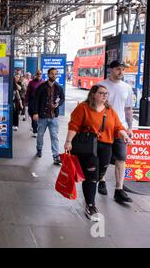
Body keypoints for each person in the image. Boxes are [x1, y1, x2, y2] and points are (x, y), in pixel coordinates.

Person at [64, 85, 133, 221]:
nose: (104, 96)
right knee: (92, 176)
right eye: (101, 93)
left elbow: (118, 127)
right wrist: (68, 141)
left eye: (106, 94)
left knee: (100, 173)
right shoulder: (83, 108)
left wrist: (125, 135)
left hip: (106, 147)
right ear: (93, 94)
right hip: (89, 146)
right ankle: (90, 205)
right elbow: (74, 125)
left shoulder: (110, 111)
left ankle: (91, 189)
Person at [97, 60, 134, 203]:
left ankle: (119, 189)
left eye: (123, 69)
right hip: (103, 128)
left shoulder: (127, 88)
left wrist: (129, 127)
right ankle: (101, 180)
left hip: (120, 129)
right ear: (111, 70)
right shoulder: (101, 86)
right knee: (102, 157)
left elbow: (128, 109)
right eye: (118, 69)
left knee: (121, 158)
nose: (121, 72)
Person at [32, 68, 65, 164]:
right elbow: (36, 101)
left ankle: (56, 156)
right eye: (52, 74)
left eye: (55, 74)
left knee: (54, 136)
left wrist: (58, 104)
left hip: (54, 117)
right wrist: (35, 113)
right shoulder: (41, 87)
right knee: (40, 135)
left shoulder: (59, 87)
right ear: (48, 74)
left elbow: (62, 98)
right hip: (42, 116)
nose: (54, 75)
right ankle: (39, 149)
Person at [25, 70, 43, 137]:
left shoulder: (44, 83)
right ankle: (34, 128)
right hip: (32, 101)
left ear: (42, 74)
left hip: (41, 102)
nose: (39, 75)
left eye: (40, 74)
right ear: (36, 74)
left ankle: (35, 130)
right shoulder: (31, 83)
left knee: (38, 116)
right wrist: (26, 101)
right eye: (38, 73)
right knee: (32, 115)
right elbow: (28, 92)